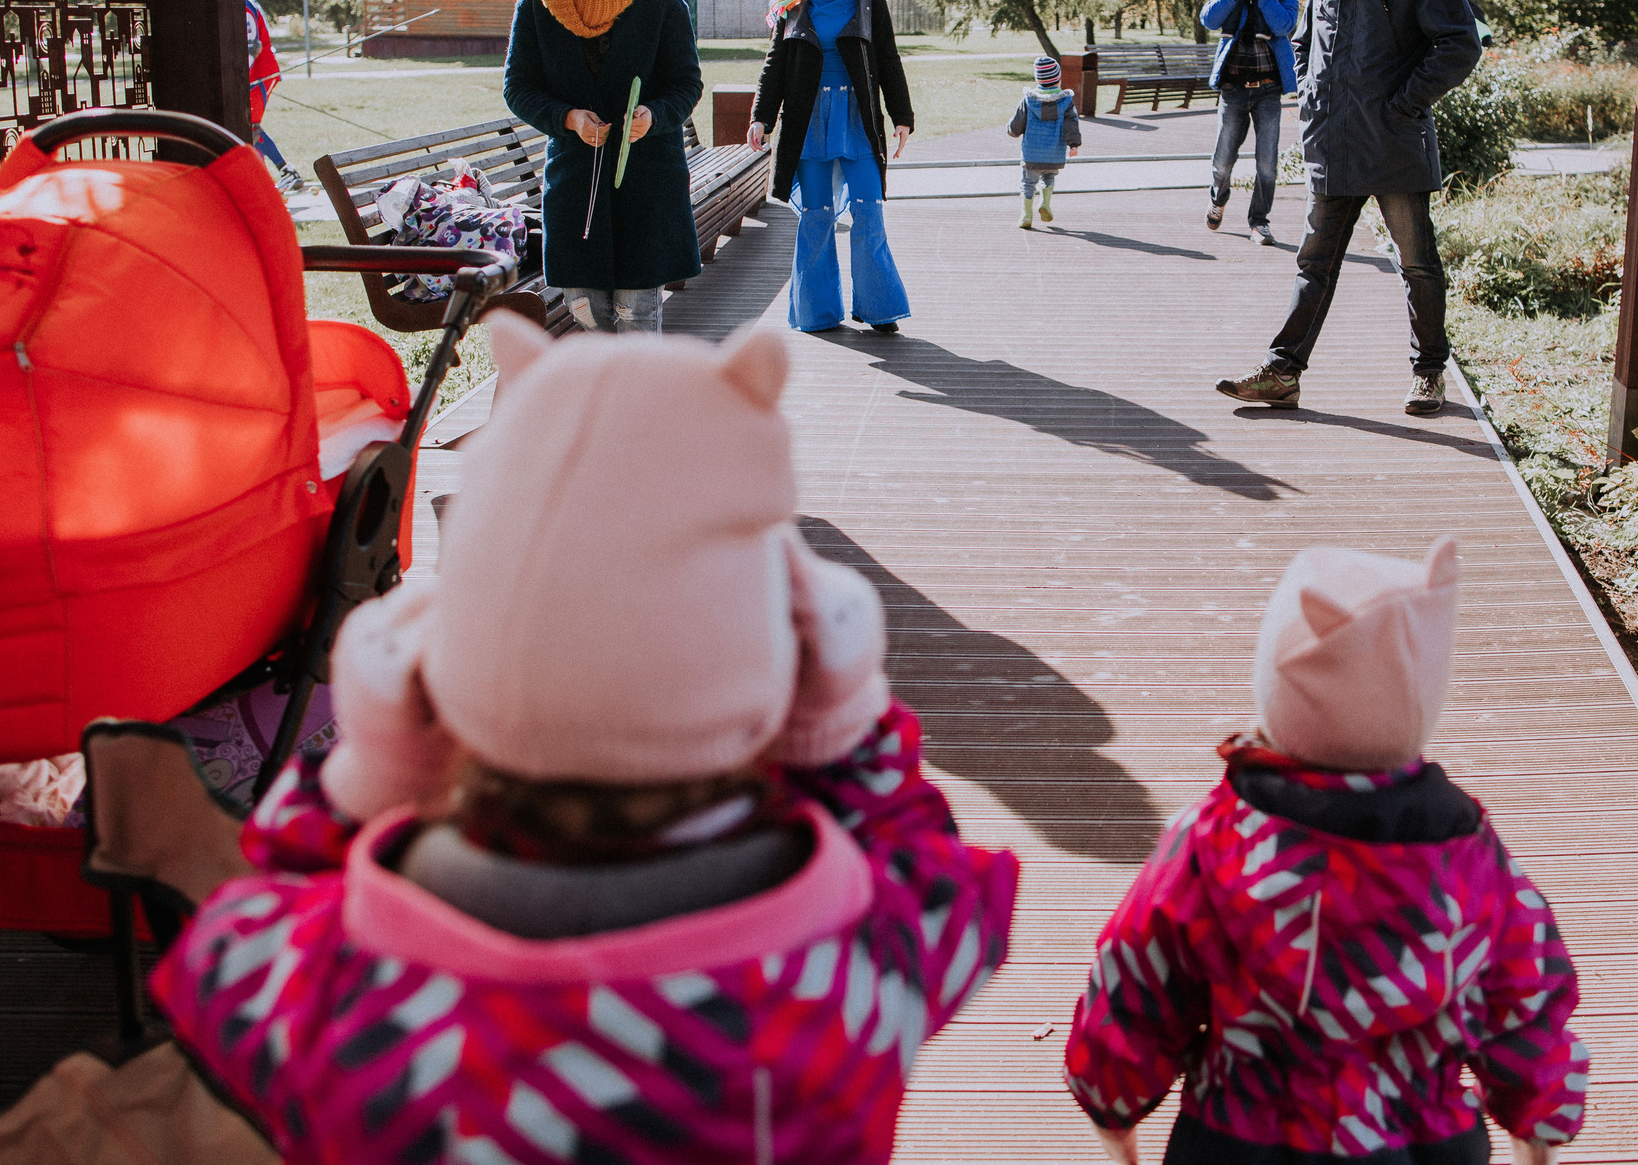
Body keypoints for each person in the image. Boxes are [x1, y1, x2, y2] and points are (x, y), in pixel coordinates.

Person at [152, 315, 1019, 1163]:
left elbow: (231, 929)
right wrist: (843, 733)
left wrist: (371, 773)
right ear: (778, 662)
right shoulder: (852, 971)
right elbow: (943, 879)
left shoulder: (332, 997)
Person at [1065, 536, 1586, 1165]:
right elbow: (1526, 996)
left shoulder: (1212, 840)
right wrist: (1540, 1123)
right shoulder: (1469, 857)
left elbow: (1136, 987)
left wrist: (1111, 1105)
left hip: (1239, 1139)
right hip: (1428, 1141)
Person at [1217, 0, 1481, 417]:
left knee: (1418, 264)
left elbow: (1460, 44)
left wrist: (1405, 103)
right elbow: (1305, 40)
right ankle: (1283, 373)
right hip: (1334, 144)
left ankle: (1429, 371)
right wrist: (1312, 97)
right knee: (1313, 263)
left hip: (1395, 141)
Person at [504, 0, 704, 335]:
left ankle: (637, 407)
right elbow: (518, 88)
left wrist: (653, 116)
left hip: (648, 185)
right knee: (588, 321)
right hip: (577, 191)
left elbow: (686, 83)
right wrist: (568, 119)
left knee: (638, 318)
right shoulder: (535, 4)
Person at [747, 0, 915, 334]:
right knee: (817, 215)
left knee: (869, 212)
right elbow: (774, 69)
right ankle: (817, 312)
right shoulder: (793, 7)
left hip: (858, 124)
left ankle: (879, 309)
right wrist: (760, 117)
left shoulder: (870, 4)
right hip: (809, 126)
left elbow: (890, 63)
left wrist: (902, 116)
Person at [1200, 0, 1297, 243]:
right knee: (1223, 159)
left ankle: (1259, 221)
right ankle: (1218, 199)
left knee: (1267, 163)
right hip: (1234, 90)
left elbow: (1284, 26)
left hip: (1268, 90)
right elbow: (1209, 20)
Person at [1007, 54, 1082, 230]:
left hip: (1032, 153)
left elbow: (1017, 123)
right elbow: (1072, 124)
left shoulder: (1028, 100)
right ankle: (1045, 203)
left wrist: (1011, 130)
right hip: (1053, 153)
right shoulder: (1066, 101)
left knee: (1027, 183)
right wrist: (1074, 144)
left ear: (1037, 79)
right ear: (1058, 79)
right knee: (1048, 176)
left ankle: (1026, 216)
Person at [242, 0, 301, 192]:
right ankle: (281, 172)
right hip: (249, 75)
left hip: (259, 73)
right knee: (247, 127)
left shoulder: (245, 4)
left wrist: (241, 79)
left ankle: (272, 179)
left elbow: (252, 47)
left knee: (249, 128)